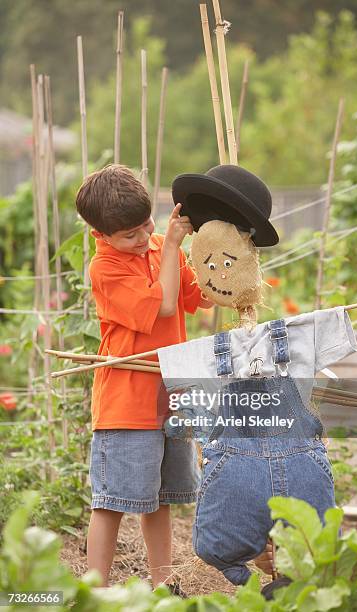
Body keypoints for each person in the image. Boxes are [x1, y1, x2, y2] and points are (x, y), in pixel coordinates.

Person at [75, 164, 213, 591]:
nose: (141, 239)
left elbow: (199, 297)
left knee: (160, 500)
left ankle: (162, 585)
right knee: (112, 500)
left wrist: (225, 255)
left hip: (169, 394)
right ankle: (94, 590)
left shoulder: (157, 246)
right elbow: (166, 306)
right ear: (101, 234)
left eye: (145, 226)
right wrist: (170, 245)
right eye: (128, 235)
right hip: (127, 401)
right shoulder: (106, 269)